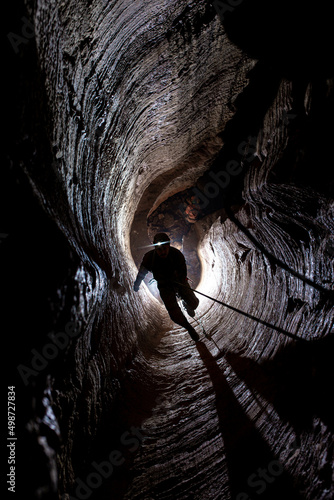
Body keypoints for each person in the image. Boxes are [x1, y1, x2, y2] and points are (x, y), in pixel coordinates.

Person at [133, 233, 200, 341]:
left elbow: (183, 273)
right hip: (164, 286)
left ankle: (188, 305)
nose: (162, 252)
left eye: (164, 248)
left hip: (178, 281)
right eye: (159, 249)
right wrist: (137, 284)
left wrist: (180, 283)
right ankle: (189, 327)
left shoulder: (177, 255)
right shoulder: (149, 258)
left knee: (194, 303)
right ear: (155, 248)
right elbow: (141, 273)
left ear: (168, 246)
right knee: (174, 314)